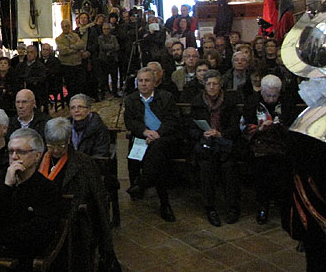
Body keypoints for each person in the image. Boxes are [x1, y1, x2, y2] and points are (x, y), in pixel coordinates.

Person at [41, 118, 120, 272]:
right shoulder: (40, 159)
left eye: (60, 145)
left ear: (68, 141)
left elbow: (98, 201)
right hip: (46, 221)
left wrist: (106, 245)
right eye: (51, 145)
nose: (55, 150)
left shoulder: (83, 163)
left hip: (74, 224)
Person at [0, 128, 61, 270]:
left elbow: (36, 234)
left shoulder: (47, 189)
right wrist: (7, 186)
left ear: (37, 156)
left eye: (20, 152)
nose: (14, 157)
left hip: (23, 260)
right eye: (11, 152)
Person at [124, 67, 180, 222]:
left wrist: (158, 133)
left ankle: (142, 184)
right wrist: (145, 132)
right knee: (156, 160)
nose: (143, 84)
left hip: (165, 137)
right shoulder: (131, 99)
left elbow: (172, 120)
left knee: (157, 148)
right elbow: (130, 121)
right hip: (143, 137)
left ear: (154, 83)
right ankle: (164, 203)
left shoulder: (166, 97)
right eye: (140, 81)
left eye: (147, 80)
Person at [241, 74, 296, 224]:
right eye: (268, 95)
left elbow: (293, 125)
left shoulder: (287, 101)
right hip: (259, 144)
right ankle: (263, 204)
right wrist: (259, 128)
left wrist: (278, 126)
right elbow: (244, 126)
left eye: (274, 95)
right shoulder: (252, 102)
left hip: (282, 144)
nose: (271, 99)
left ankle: (284, 204)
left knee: (285, 164)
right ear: (262, 91)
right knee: (261, 165)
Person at [189, 70, 241, 226]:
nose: (212, 87)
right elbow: (190, 128)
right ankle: (210, 208)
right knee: (206, 167)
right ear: (204, 85)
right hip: (206, 144)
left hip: (224, 143)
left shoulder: (229, 102)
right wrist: (203, 133)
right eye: (209, 84)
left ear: (220, 85)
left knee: (229, 167)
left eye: (215, 84)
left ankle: (233, 208)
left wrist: (220, 133)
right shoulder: (197, 102)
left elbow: (235, 128)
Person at [55, 19, 86, 98]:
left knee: (79, 84)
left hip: (77, 63)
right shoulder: (59, 39)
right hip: (67, 65)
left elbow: (82, 44)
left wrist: (71, 47)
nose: (65, 28)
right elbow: (63, 51)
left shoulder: (75, 36)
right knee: (70, 85)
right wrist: (76, 49)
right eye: (63, 26)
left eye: (67, 26)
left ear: (70, 27)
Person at [98, 22, 120, 99]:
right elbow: (102, 46)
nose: (106, 30)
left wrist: (109, 47)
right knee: (103, 78)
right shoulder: (100, 38)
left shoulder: (113, 37)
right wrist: (111, 46)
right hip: (103, 60)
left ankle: (115, 92)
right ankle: (103, 93)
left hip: (113, 59)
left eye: (107, 29)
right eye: (104, 29)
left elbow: (117, 47)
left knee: (114, 77)